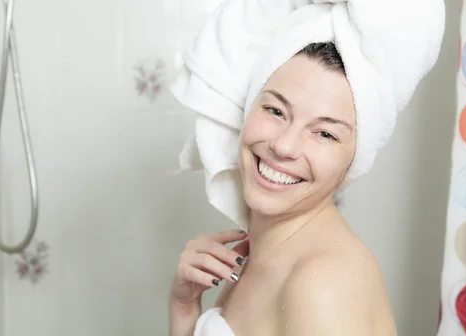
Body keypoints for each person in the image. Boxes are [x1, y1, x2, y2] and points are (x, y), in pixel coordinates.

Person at [168, 43, 397, 335]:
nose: (283, 145)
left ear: (353, 161)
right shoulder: (263, 250)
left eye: (325, 133)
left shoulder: (325, 283)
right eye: (276, 111)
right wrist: (183, 307)